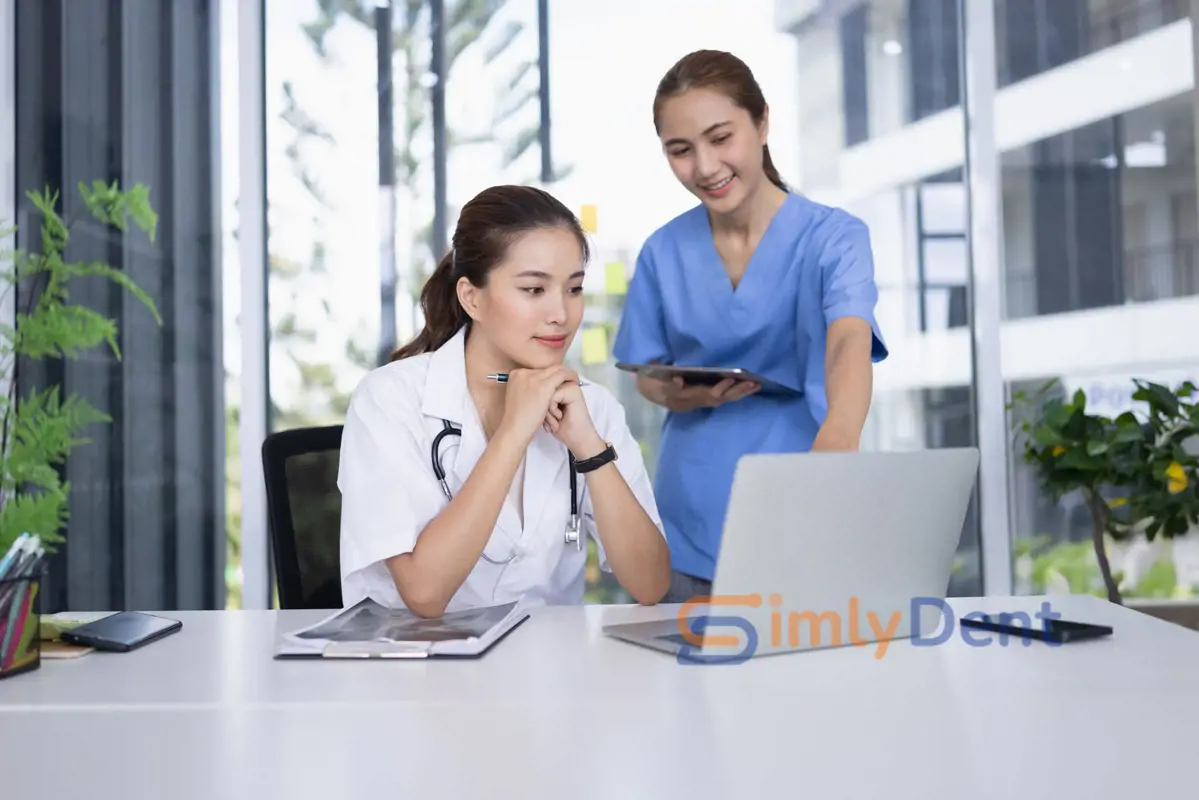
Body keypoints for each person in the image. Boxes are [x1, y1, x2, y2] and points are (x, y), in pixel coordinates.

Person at [611, 50, 889, 604]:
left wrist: (838, 444)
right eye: (680, 150)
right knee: (684, 661)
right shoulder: (662, 251)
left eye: (721, 138)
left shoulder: (833, 238)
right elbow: (647, 374)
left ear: (762, 123)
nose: (705, 166)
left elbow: (849, 340)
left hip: (804, 502)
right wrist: (681, 394)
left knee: (807, 656)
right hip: (690, 520)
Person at [337, 185, 671, 618]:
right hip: (421, 657)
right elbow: (424, 593)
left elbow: (650, 584)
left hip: (547, 658)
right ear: (471, 297)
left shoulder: (592, 406)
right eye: (534, 289)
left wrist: (589, 447)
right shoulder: (389, 399)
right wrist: (514, 432)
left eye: (574, 289)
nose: (561, 314)